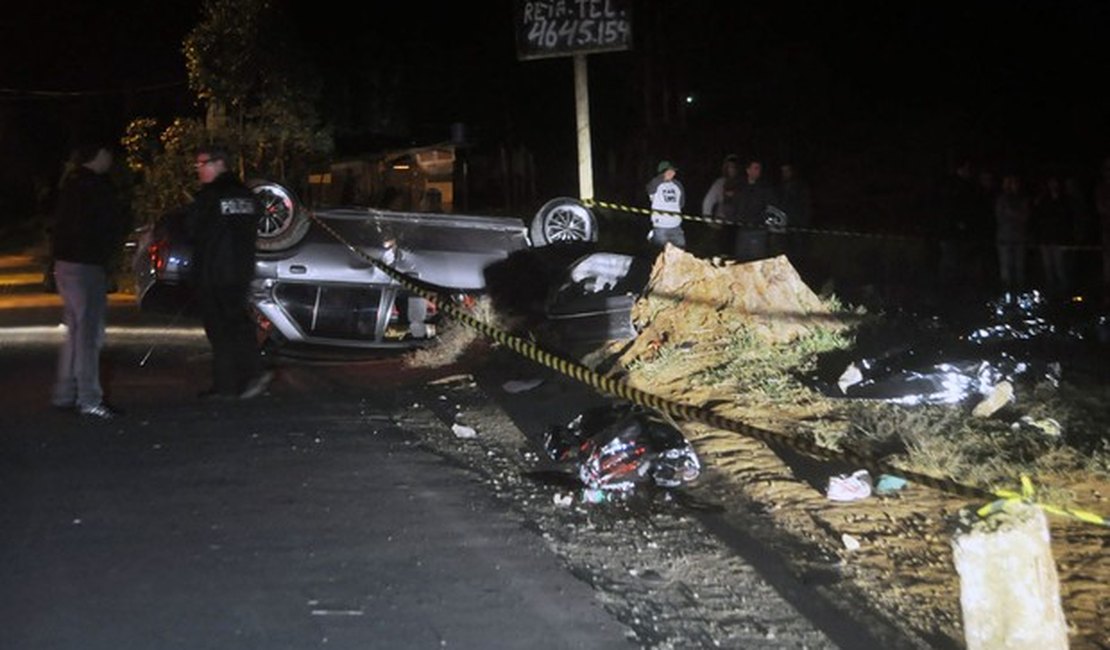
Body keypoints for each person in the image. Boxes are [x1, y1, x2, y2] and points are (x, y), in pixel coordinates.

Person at [184, 145, 272, 400]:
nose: (198, 170)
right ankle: (237, 380)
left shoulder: (210, 196)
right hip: (240, 271)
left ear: (219, 163)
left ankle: (236, 380)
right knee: (236, 323)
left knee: (220, 329)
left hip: (213, 272)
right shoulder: (247, 196)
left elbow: (192, 230)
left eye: (202, 164)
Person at [49, 143, 130, 419]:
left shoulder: (70, 184)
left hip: (66, 264)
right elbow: (110, 224)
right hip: (87, 265)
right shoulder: (96, 187)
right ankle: (89, 398)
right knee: (89, 334)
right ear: (101, 154)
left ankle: (64, 392)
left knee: (75, 330)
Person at [1030, 174, 1074, 296]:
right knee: (1048, 267)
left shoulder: (1064, 199)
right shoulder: (1043, 199)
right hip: (1045, 238)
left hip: (1058, 238)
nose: (1053, 185)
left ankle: (1064, 292)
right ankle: (1051, 292)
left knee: (1060, 267)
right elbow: (1038, 218)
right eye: (1051, 183)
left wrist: (1066, 239)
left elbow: (1066, 220)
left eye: (1055, 183)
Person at [994, 172, 1031, 293]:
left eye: (1014, 183)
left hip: (1019, 237)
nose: (1011, 186)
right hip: (1005, 238)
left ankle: (1020, 293)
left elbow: (1024, 217)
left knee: (1019, 268)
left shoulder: (1022, 199)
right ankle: (1007, 294)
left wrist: (1011, 213)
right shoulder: (1001, 199)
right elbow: (999, 216)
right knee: (1006, 269)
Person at [732, 157, 774, 262]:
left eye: (759, 169)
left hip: (758, 230)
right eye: (755, 168)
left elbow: (768, 208)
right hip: (742, 230)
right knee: (741, 261)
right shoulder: (740, 187)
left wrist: (762, 222)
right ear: (748, 170)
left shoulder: (764, 188)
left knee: (756, 262)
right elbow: (736, 206)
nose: (757, 171)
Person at [645, 160, 686, 249]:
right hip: (660, 226)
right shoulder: (655, 184)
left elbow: (681, 203)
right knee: (659, 253)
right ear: (663, 172)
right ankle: (652, 236)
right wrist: (662, 178)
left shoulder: (677, 185)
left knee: (680, 252)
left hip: (676, 226)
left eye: (673, 171)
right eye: (669, 171)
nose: (672, 173)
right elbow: (649, 188)